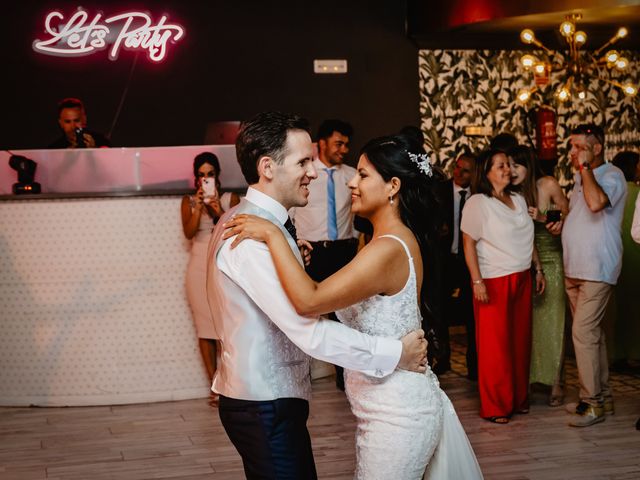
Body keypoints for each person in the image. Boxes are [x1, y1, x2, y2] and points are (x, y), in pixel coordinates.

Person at [224, 133, 483, 479]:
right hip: (379, 411)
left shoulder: (387, 249)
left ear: (392, 186)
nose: (351, 183)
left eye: (363, 175)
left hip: (397, 414)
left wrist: (272, 235)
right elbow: (325, 296)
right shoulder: (381, 243)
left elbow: (309, 300)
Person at [461, 148, 545, 424]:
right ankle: (497, 405)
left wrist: (538, 268)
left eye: (508, 164)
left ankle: (518, 398)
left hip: (522, 276)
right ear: (486, 172)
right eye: (500, 166)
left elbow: (529, 237)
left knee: (520, 342)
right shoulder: (477, 203)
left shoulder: (520, 200)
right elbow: (468, 244)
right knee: (495, 346)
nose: (508, 169)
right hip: (493, 279)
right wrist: (477, 280)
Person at [562, 124, 627, 427]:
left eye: (579, 147)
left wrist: (586, 167)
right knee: (593, 335)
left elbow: (596, 203)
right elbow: (581, 216)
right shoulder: (579, 177)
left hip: (598, 268)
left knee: (583, 333)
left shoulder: (612, 175)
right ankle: (605, 396)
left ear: (596, 148)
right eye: (572, 147)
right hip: (575, 267)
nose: (573, 153)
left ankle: (591, 404)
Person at [289, 119, 359, 390]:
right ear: (322, 144)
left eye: (346, 144)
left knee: (346, 315)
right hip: (313, 252)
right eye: (338, 143)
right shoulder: (305, 175)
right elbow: (291, 214)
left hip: (344, 250)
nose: (344, 149)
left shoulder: (352, 176)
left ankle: (347, 378)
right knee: (305, 313)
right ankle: (298, 376)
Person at [509, 145, 569, 407]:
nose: (511, 171)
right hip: (526, 261)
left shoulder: (548, 184)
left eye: (516, 165)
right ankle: (532, 378)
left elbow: (568, 213)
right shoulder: (511, 193)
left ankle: (556, 381)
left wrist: (543, 216)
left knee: (554, 321)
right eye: (508, 166)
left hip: (553, 258)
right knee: (529, 324)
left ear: (528, 165)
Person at [181, 152, 239, 392]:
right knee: (205, 327)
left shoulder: (230, 199)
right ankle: (212, 387)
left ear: (217, 175)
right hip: (198, 264)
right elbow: (188, 232)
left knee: (228, 324)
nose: (205, 178)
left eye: (210, 174)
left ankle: (232, 383)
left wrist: (216, 211)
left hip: (223, 262)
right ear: (196, 178)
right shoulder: (188, 201)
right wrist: (198, 208)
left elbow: (233, 231)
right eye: (201, 175)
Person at [433, 152, 477, 378]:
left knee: (472, 312)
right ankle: (442, 358)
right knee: (439, 309)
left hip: (470, 261)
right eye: (457, 167)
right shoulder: (439, 191)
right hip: (444, 258)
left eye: (465, 170)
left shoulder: (478, 197)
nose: (458, 172)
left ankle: (474, 364)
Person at [609, 151, 640, 366]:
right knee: (636, 306)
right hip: (635, 254)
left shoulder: (613, 194)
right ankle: (636, 354)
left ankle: (615, 353)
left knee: (616, 307)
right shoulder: (637, 192)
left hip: (614, 254)